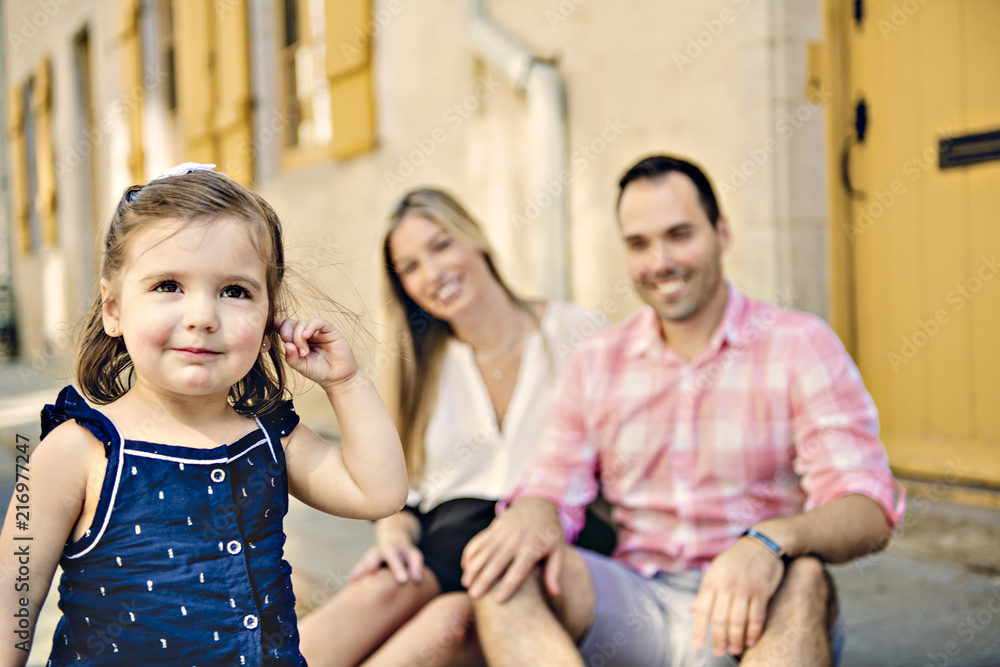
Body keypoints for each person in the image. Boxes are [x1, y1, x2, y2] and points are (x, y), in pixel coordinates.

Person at [460, 155, 906, 667]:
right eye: (639, 244)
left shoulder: (799, 344)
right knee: (506, 578)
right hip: (636, 600)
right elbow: (551, 485)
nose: (660, 261)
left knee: (804, 576)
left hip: (759, 606)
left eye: (679, 235)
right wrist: (533, 513)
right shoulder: (598, 361)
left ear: (722, 232)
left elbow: (868, 508)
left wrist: (769, 540)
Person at [0, 163, 408, 666]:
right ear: (113, 309)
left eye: (235, 291)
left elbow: (380, 492)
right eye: (168, 285)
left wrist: (346, 383)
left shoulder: (270, 437)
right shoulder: (75, 451)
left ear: (266, 317)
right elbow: (11, 607)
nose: (202, 317)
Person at [298, 188, 612, 666]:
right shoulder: (420, 370)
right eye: (410, 267)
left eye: (441, 245)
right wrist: (393, 535)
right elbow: (405, 491)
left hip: (543, 545)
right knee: (378, 590)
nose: (433, 274)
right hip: (444, 542)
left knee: (448, 623)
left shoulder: (578, 333)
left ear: (476, 240)